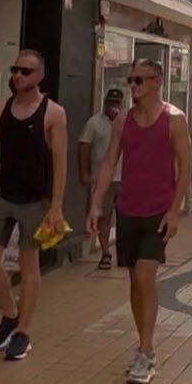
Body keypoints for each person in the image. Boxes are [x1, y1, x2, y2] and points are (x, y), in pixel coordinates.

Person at [88, 59, 191, 384]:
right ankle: (143, 345)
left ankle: (146, 351)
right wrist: (95, 203)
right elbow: (109, 163)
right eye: (130, 80)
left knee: (146, 276)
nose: (132, 86)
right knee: (134, 280)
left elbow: (185, 166)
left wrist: (174, 210)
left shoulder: (174, 119)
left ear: (156, 82)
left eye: (138, 81)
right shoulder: (123, 121)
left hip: (157, 211)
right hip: (128, 209)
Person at [0, 50, 67, 362]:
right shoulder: (0, 111)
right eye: (15, 70)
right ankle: (10, 313)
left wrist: (56, 205)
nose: (18, 76)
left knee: (29, 264)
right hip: (3, 195)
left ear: (39, 76)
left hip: (36, 199)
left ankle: (23, 332)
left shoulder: (53, 113)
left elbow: (60, 162)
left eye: (25, 71)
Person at [78, 86, 124, 269]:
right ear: (105, 103)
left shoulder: (126, 122)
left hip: (124, 178)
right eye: (111, 102)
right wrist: (84, 172)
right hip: (102, 179)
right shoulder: (94, 123)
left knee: (125, 218)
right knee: (103, 217)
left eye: (117, 102)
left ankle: (123, 251)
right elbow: (83, 146)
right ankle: (105, 252)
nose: (114, 106)